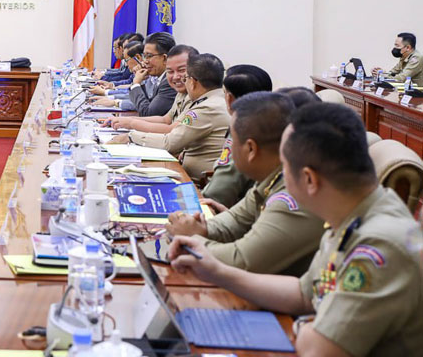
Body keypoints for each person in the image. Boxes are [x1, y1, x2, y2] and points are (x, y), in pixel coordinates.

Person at [168, 102, 423, 356]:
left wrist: (305, 325)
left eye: (284, 167)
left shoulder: (378, 248)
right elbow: (305, 294)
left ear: (309, 179)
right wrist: (217, 271)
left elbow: (318, 350)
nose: (279, 177)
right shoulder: (355, 213)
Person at [166, 92, 324, 276]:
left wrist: (190, 237)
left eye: (232, 140)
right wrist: (199, 228)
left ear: (250, 149)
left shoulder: (294, 193)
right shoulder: (271, 178)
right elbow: (235, 221)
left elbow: (241, 260)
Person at [111, 53, 230, 180]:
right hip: (185, 172)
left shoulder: (206, 108)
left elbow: (169, 142)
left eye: (185, 77)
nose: (181, 80)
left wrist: (131, 136)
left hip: (197, 182)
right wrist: (129, 122)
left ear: (193, 82)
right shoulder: (211, 100)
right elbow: (166, 120)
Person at [201, 64, 275, 209]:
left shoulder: (243, 132)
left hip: (238, 211)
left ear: (229, 99)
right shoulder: (273, 125)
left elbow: (217, 193)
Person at [104, 44, 198, 132]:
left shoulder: (198, 100)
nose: (175, 76)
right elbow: (165, 120)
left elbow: (171, 132)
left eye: (149, 56)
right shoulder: (181, 93)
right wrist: (125, 120)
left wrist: (131, 129)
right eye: (170, 71)